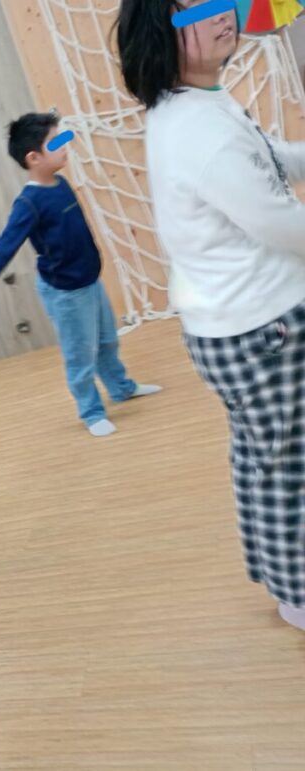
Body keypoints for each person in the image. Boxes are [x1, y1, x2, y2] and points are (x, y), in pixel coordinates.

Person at [117, 0, 305, 630]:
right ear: (160, 34)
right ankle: (298, 595)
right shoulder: (200, 130)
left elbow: (267, 158)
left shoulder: (196, 103)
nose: (222, 14)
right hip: (263, 327)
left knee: (267, 459)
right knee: (288, 468)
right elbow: (281, 222)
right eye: (193, 10)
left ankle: (285, 580)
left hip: (237, 323)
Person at [0, 112, 162, 437]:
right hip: (65, 293)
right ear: (33, 158)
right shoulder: (28, 203)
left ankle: (121, 388)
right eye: (56, 142)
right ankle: (91, 412)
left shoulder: (62, 184)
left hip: (89, 282)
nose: (65, 145)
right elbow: (6, 244)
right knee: (80, 356)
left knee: (107, 341)